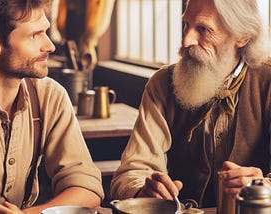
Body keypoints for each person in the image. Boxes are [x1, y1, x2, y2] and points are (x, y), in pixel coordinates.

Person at [111, 0, 271, 208]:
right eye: (186, 25)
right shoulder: (162, 84)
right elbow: (133, 170)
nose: (186, 40)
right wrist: (143, 190)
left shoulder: (267, 81)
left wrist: (263, 186)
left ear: (242, 37)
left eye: (203, 29)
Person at [0, 0, 104, 213]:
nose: (49, 45)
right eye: (35, 35)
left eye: (46, 32)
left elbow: (87, 189)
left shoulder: (50, 95)